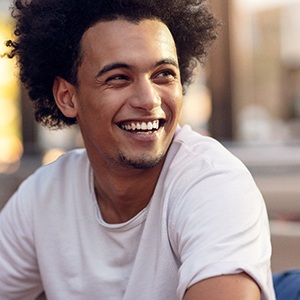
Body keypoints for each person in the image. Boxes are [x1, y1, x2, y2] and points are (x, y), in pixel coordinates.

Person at [0, 0, 275, 299]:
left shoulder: (215, 184)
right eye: (118, 78)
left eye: (163, 74)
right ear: (67, 97)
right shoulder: (43, 197)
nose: (149, 100)